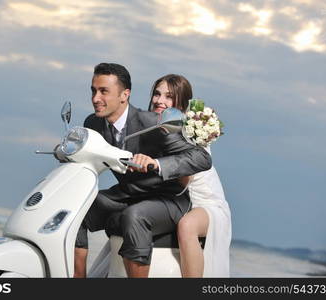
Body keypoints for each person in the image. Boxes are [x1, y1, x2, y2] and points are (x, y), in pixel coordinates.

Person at [74, 63, 212, 278]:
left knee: (135, 216)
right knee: (76, 208)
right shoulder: (93, 124)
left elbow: (201, 157)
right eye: (93, 90)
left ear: (124, 95)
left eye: (103, 91)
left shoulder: (155, 123)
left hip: (167, 199)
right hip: (128, 194)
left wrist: (157, 164)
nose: (95, 98)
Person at [148, 74, 232, 277]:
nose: (160, 100)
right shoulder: (150, 128)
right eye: (157, 94)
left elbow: (183, 179)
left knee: (187, 226)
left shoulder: (190, 130)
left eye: (169, 96)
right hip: (177, 201)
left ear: (181, 103)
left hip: (206, 204)